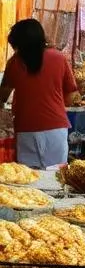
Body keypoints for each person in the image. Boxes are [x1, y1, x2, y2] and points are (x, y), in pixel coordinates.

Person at [0, 19, 80, 167]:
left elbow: (2, 96)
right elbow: (71, 97)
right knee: (56, 175)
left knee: (28, 180)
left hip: (26, 130)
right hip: (55, 129)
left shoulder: (15, 63)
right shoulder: (58, 58)